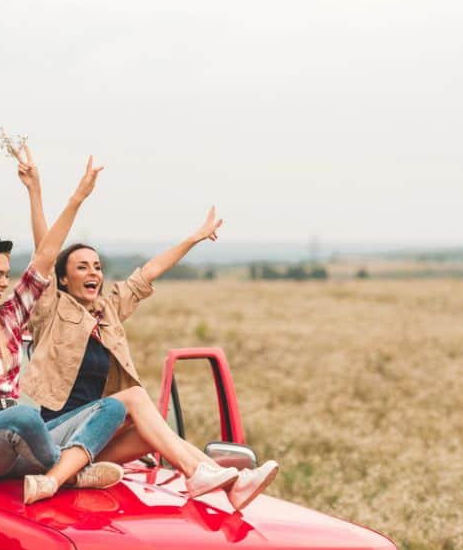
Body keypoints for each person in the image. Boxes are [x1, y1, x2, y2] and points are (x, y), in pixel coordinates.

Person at [14, 146, 279, 511]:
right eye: (82, 267)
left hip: (94, 438)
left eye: (97, 266)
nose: (93, 272)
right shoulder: (53, 308)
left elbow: (147, 274)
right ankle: (200, 473)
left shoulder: (107, 311)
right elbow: (47, 251)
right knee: (136, 399)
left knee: (152, 432)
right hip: (57, 434)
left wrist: (195, 238)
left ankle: (226, 481)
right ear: (63, 278)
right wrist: (38, 191)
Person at [0, 148, 126, 505]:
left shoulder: (12, 317)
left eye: (6, 275)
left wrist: (77, 197)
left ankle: (53, 477)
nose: (5, 283)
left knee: (113, 408)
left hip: (25, 443)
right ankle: (72, 473)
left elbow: (46, 256)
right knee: (25, 416)